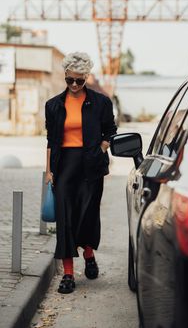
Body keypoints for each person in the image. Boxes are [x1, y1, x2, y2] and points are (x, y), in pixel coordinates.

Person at [45, 52, 117, 294]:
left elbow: (110, 131)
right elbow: (51, 140)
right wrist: (48, 171)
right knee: (65, 218)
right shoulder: (53, 105)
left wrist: (101, 149)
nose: (74, 85)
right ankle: (67, 274)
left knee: (87, 214)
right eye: (70, 80)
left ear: (86, 77)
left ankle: (88, 253)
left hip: (92, 164)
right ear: (65, 76)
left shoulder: (101, 102)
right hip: (64, 164)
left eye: (80, 80)